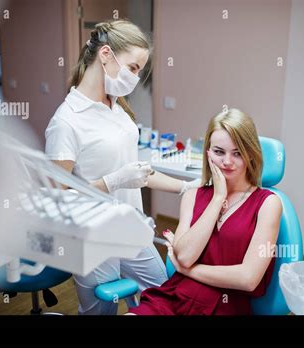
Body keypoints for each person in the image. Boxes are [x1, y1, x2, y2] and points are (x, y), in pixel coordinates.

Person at [45, 20, 198, 315]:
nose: (135, 77)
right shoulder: (66, 122)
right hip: (93, 240)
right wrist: (113, 181)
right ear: (105, 54)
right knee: (100, 312)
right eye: (132, 67)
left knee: (164, 295)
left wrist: (186, 186)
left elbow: (137, 173)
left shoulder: (117, 108)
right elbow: (56, 200)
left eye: (139, 69)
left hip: (131, 228)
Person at [126, 108, 282, 315]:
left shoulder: (268, 204)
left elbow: (248, 279)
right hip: (174, 298)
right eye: (219, 152)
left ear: (250, 154)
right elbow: (185, 256)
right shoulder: (193, 195)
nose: (227, 161)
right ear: (207, 152)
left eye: (237, 153)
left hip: (226, 307)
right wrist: (218, 198)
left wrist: (188, 270)